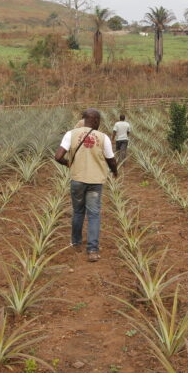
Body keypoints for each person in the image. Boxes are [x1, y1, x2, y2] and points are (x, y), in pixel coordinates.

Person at [55, 108, 118, 262]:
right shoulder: (103, 138)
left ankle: (76, 242)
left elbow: (57, 156)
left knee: (78, 212)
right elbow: (111, 159)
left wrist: (68, 163)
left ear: (84, 119)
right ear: (96, 121)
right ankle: (92, 250)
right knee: (94, 214)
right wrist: (115, 171)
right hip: (95, 182)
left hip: (77, 180)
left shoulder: (71, 134)